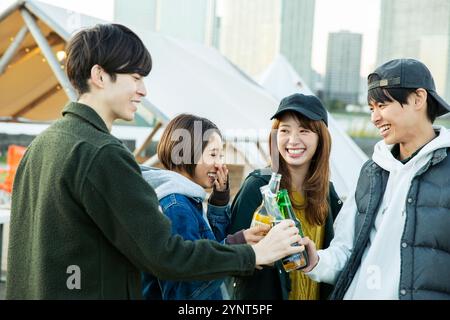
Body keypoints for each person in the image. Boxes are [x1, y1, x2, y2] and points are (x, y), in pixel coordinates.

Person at [5, 23, 302, 299]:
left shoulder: (41, 145)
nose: (143, 90)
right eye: (135, 77)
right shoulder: (102, 154)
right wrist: (256, 255)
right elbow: (166, 256)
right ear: (99, 76)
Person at [301, 58, 450, 299]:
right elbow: (346, 251)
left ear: (418, 99)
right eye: (372, 109)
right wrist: (315, 260)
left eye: (382, 105)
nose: (375, 118)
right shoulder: (371, 171)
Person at [140, 113, 268, 300]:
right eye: (213, 154)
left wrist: (219, 201)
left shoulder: (187, 199)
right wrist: (236, 246)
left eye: (221, 155)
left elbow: (208, 247)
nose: (220, 164)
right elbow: (188, 284)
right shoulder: (176, 207)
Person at [227, 93, 343, 300]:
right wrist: (260, 254)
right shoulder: (257, 187)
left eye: (304, 131)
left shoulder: (327, 193)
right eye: (284, 130)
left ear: (321, 138)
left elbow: (338, 257)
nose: (293, 140)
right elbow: (229, 259)